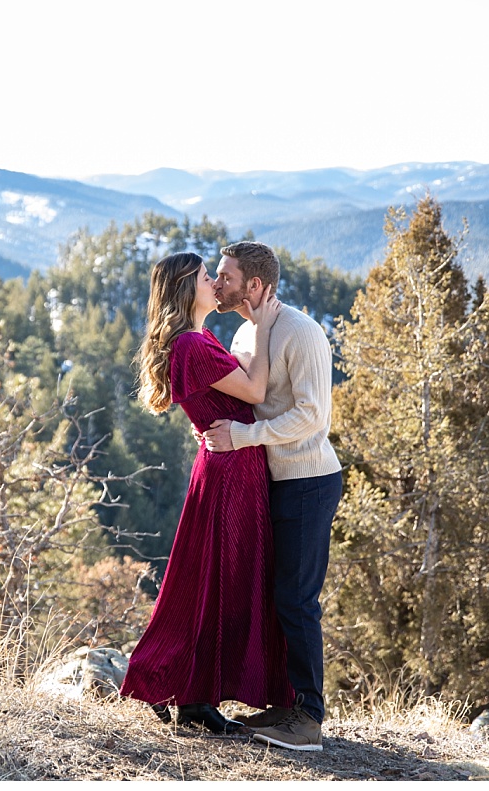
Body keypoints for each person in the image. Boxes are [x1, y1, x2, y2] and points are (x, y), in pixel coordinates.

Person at [119, 251, 295, 735]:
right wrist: (262, 322)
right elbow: (257, 392)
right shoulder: (192, 346)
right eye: (205, 277)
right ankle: (191, 693)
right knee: (221, 580)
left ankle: (193, 693)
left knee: (211, 580)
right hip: (231, 471)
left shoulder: (194, 340)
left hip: (226, 465)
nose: (215, 282)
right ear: (185, 289)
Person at [203, 240, 343, 752]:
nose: (216, 283)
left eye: (225, 277)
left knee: (298, 600)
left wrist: (240, 438)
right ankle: (286, 704)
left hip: (307, 481)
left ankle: (307, 719)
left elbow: (312, 417)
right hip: (270, 483)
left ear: (255, 286)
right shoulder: (246, 330)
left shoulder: (301, 333)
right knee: (276, 597)